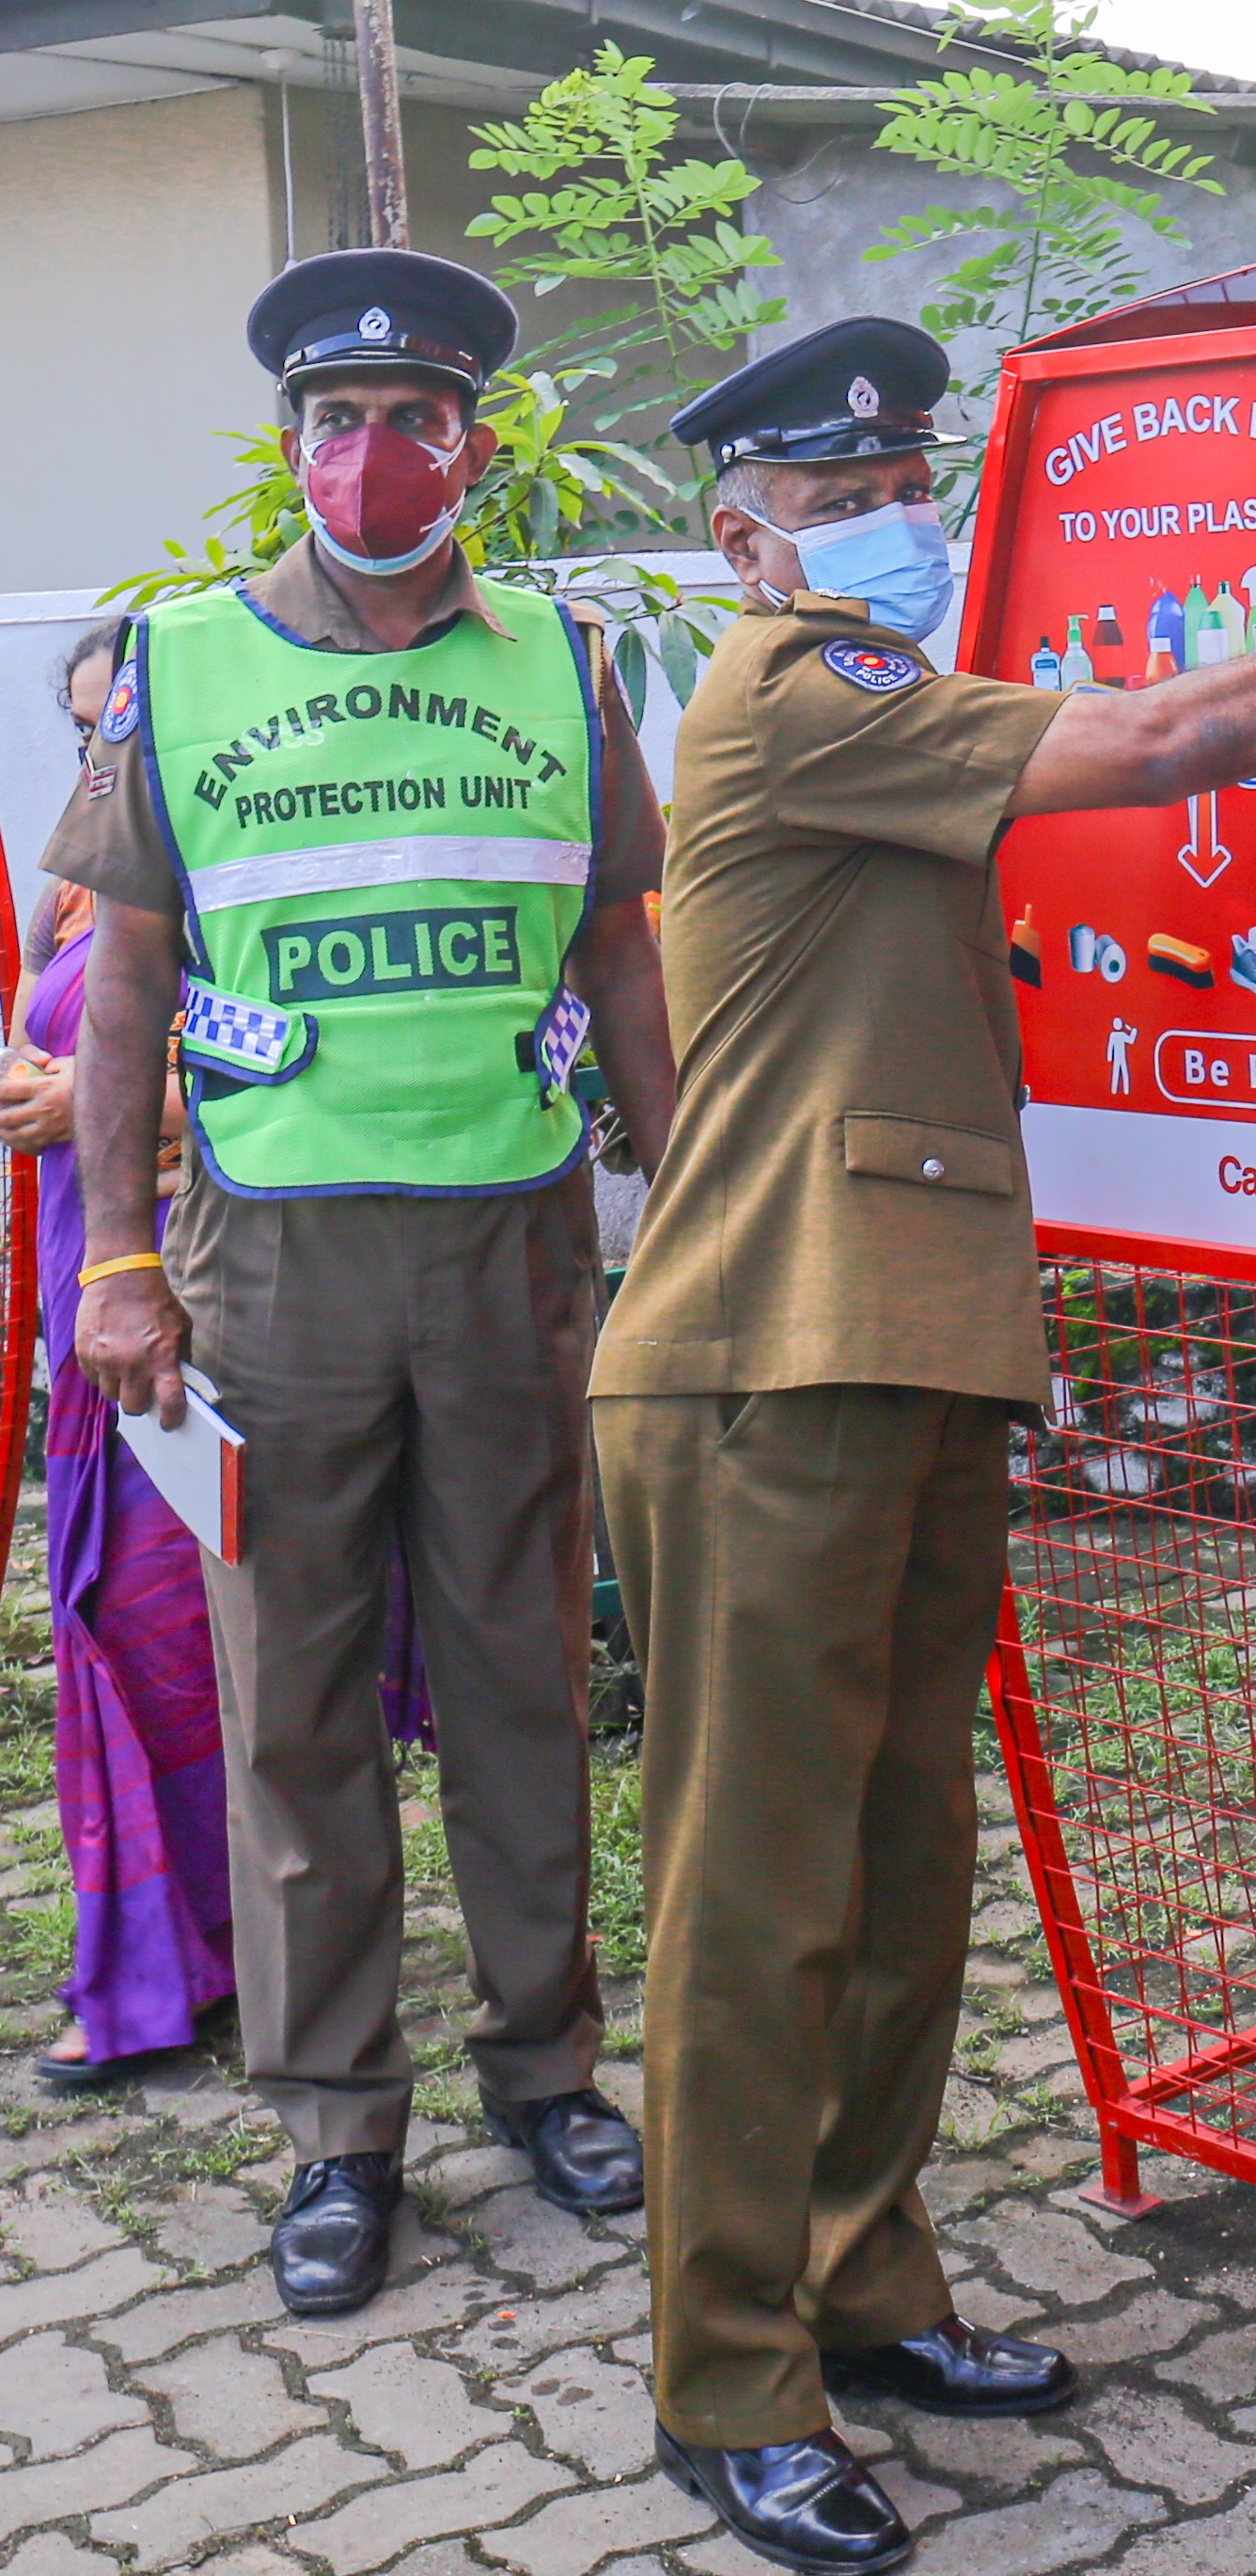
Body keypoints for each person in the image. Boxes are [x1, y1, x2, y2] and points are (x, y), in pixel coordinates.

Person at [592, 313, 1256, 2575]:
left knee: (901, 1857)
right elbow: (1173, 732)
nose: (886, 516)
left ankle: (867, 2278)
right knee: (756, 1892)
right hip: (764, 1356)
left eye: (899, 478)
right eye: (835, 494)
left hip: (904, 1339)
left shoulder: (895, 706)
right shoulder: (803, 688)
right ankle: (731, 2380)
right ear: (743, 536)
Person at [56, 247, 680, 2320]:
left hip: (512, 1244)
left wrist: (689, 1190)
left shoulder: (565, 661)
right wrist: (121, 1259)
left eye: (414, 418)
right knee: (298, 1709)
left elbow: (620, 948)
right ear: (294, 446)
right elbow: (127, 978)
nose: (374, 452)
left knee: (522, 1679)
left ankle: (547, 2069)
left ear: (470, 447)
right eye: (337, 420)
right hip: (272, 1262)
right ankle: (339, 2124)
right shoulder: (184, 660)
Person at [1, 623, 233, 2094]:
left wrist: (119, 1103)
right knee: (104, 1620)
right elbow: (56, 1031)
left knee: (166, 1639)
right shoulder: (84, 872)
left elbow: (290, 1071)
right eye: (88, 728)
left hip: (192, 1294)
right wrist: (42, 1083)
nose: (107, 752)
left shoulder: (236, 866)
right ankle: (168, 1949)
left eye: (126, 723)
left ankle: (180, 1963)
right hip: (86, 1294)